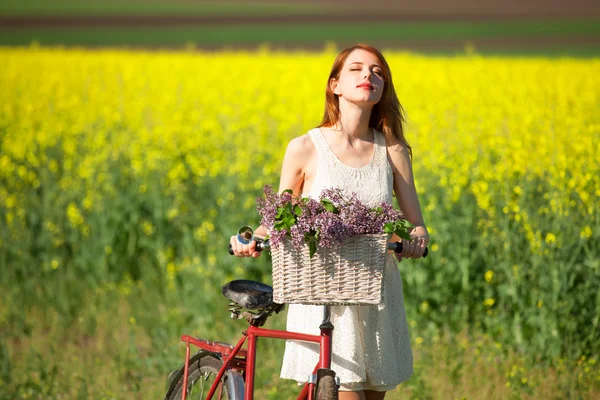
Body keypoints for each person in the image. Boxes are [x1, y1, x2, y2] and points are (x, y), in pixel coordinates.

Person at [230, 44, 429, 400]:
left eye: (378, 72)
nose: (369, 75)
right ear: (335, 85)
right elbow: (278, 216)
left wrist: (416, 240)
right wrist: (249, 238)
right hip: (326, 295)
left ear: (384, 89)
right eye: (356, 69)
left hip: (377, 295)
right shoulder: (306, 147)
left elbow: (417, 224)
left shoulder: (393, 152)